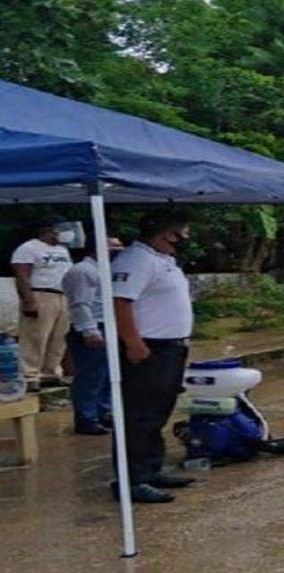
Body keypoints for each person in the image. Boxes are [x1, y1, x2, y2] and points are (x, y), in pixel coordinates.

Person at [110, 212, 196, 503]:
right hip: (149, 348)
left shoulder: (162, 259)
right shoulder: (137, 260)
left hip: (170, 347)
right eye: (180, 232)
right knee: (140, 416)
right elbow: (120, 302)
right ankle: (132, 480)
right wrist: (133, 344)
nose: (184, 238)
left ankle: (150, 470)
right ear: (166, 233)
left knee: (157, 413)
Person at [62, 235, 124, 435]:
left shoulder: (105, 270)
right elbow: (80, 303)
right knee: (90, 375)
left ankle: (103, 412)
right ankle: (86, 418)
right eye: (112, 246)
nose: (117, 250)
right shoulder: (82, 271)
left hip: (108, 324)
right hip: (91, 327)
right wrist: (89, 331)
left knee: (107, 374)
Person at [10, 216, 74, 392]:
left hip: (62, 295)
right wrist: (28, 300)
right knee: (36, 336)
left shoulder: (62, 250)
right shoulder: (29, 248)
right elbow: (22, 274)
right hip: (41, 293)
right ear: (48, 229)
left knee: (59, 337)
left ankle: (50, 372)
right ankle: (30, 374)